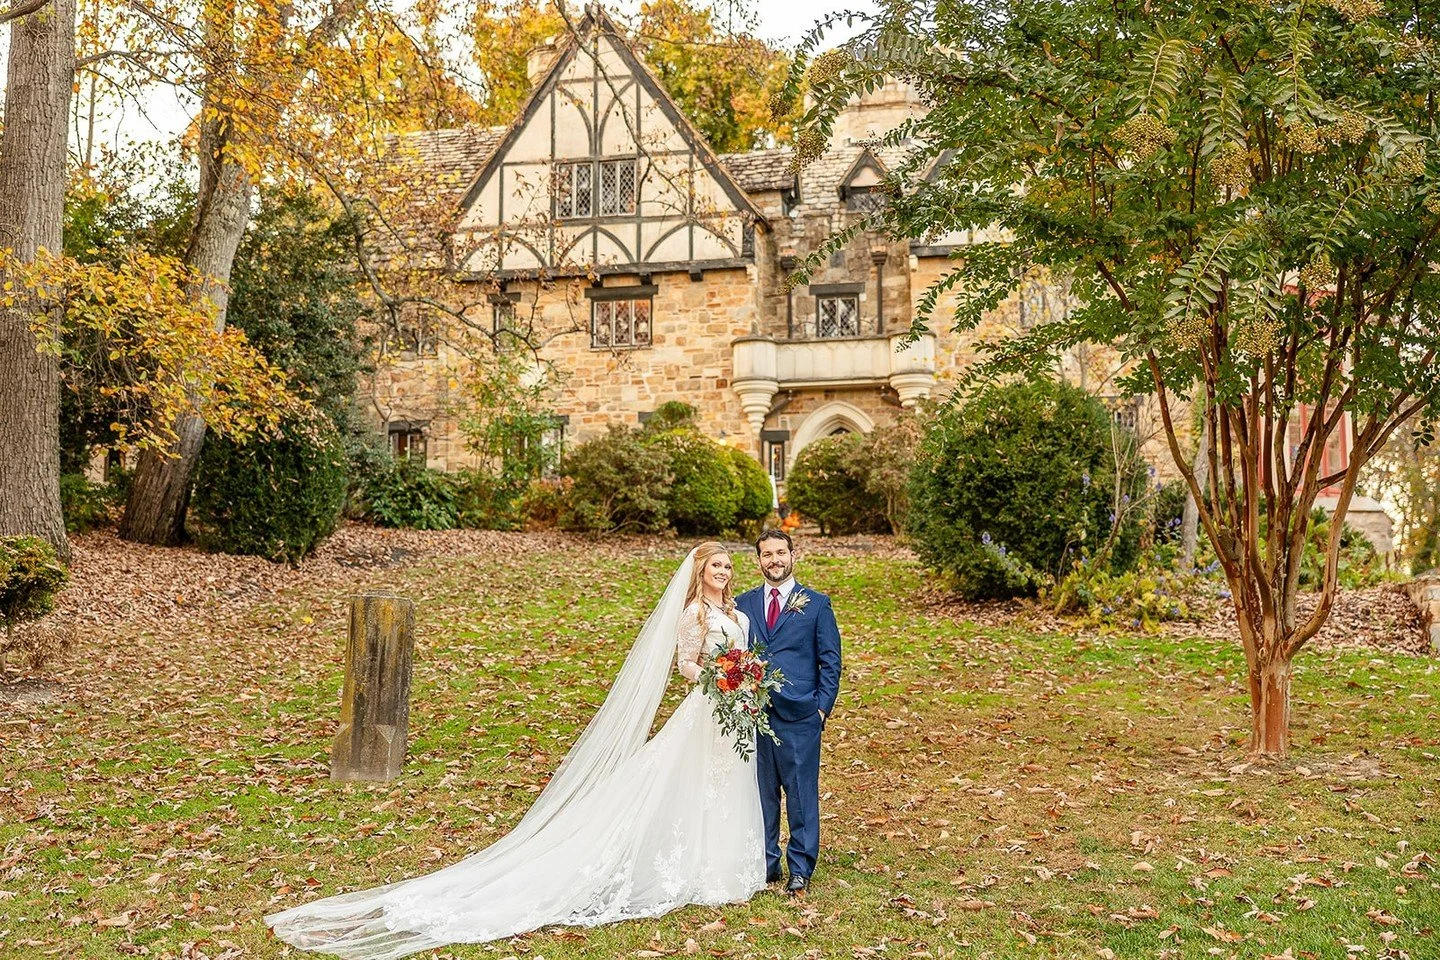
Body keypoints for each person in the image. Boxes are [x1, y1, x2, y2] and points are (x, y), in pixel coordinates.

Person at [266, 543, 765, 960]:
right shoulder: (695, 614)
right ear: (700, 573)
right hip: (710, 703)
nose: (722, 573)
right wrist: (724, 678)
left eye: (726, 566)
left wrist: (747, 679)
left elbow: (743, 653)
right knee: (688, 776)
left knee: (722, 782)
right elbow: (684, 666)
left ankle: (720, 868)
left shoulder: (737, 614)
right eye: (714, 566)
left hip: (736, 711)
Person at [735, 529, 842, 896]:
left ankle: (800, 867)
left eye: (781, 552)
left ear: (793, 555)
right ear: (759, 560)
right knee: (759, 793)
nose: (774, 560)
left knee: (800, 793)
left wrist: (821, 709)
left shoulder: (816, 604)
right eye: (767, 554)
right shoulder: (742, 605)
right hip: (754, 716)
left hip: (801, 716)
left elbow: (831, 661)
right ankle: (766, 864)